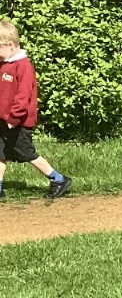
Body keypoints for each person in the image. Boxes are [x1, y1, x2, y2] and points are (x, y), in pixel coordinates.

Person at [0, 19, 71, 201]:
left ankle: (58, 179)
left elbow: (23, 97)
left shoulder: (23, 66)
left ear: (9, 45)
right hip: (3, 120)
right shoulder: (4, 63)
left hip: (17, 122)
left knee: (27, 153)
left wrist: (14, 118)